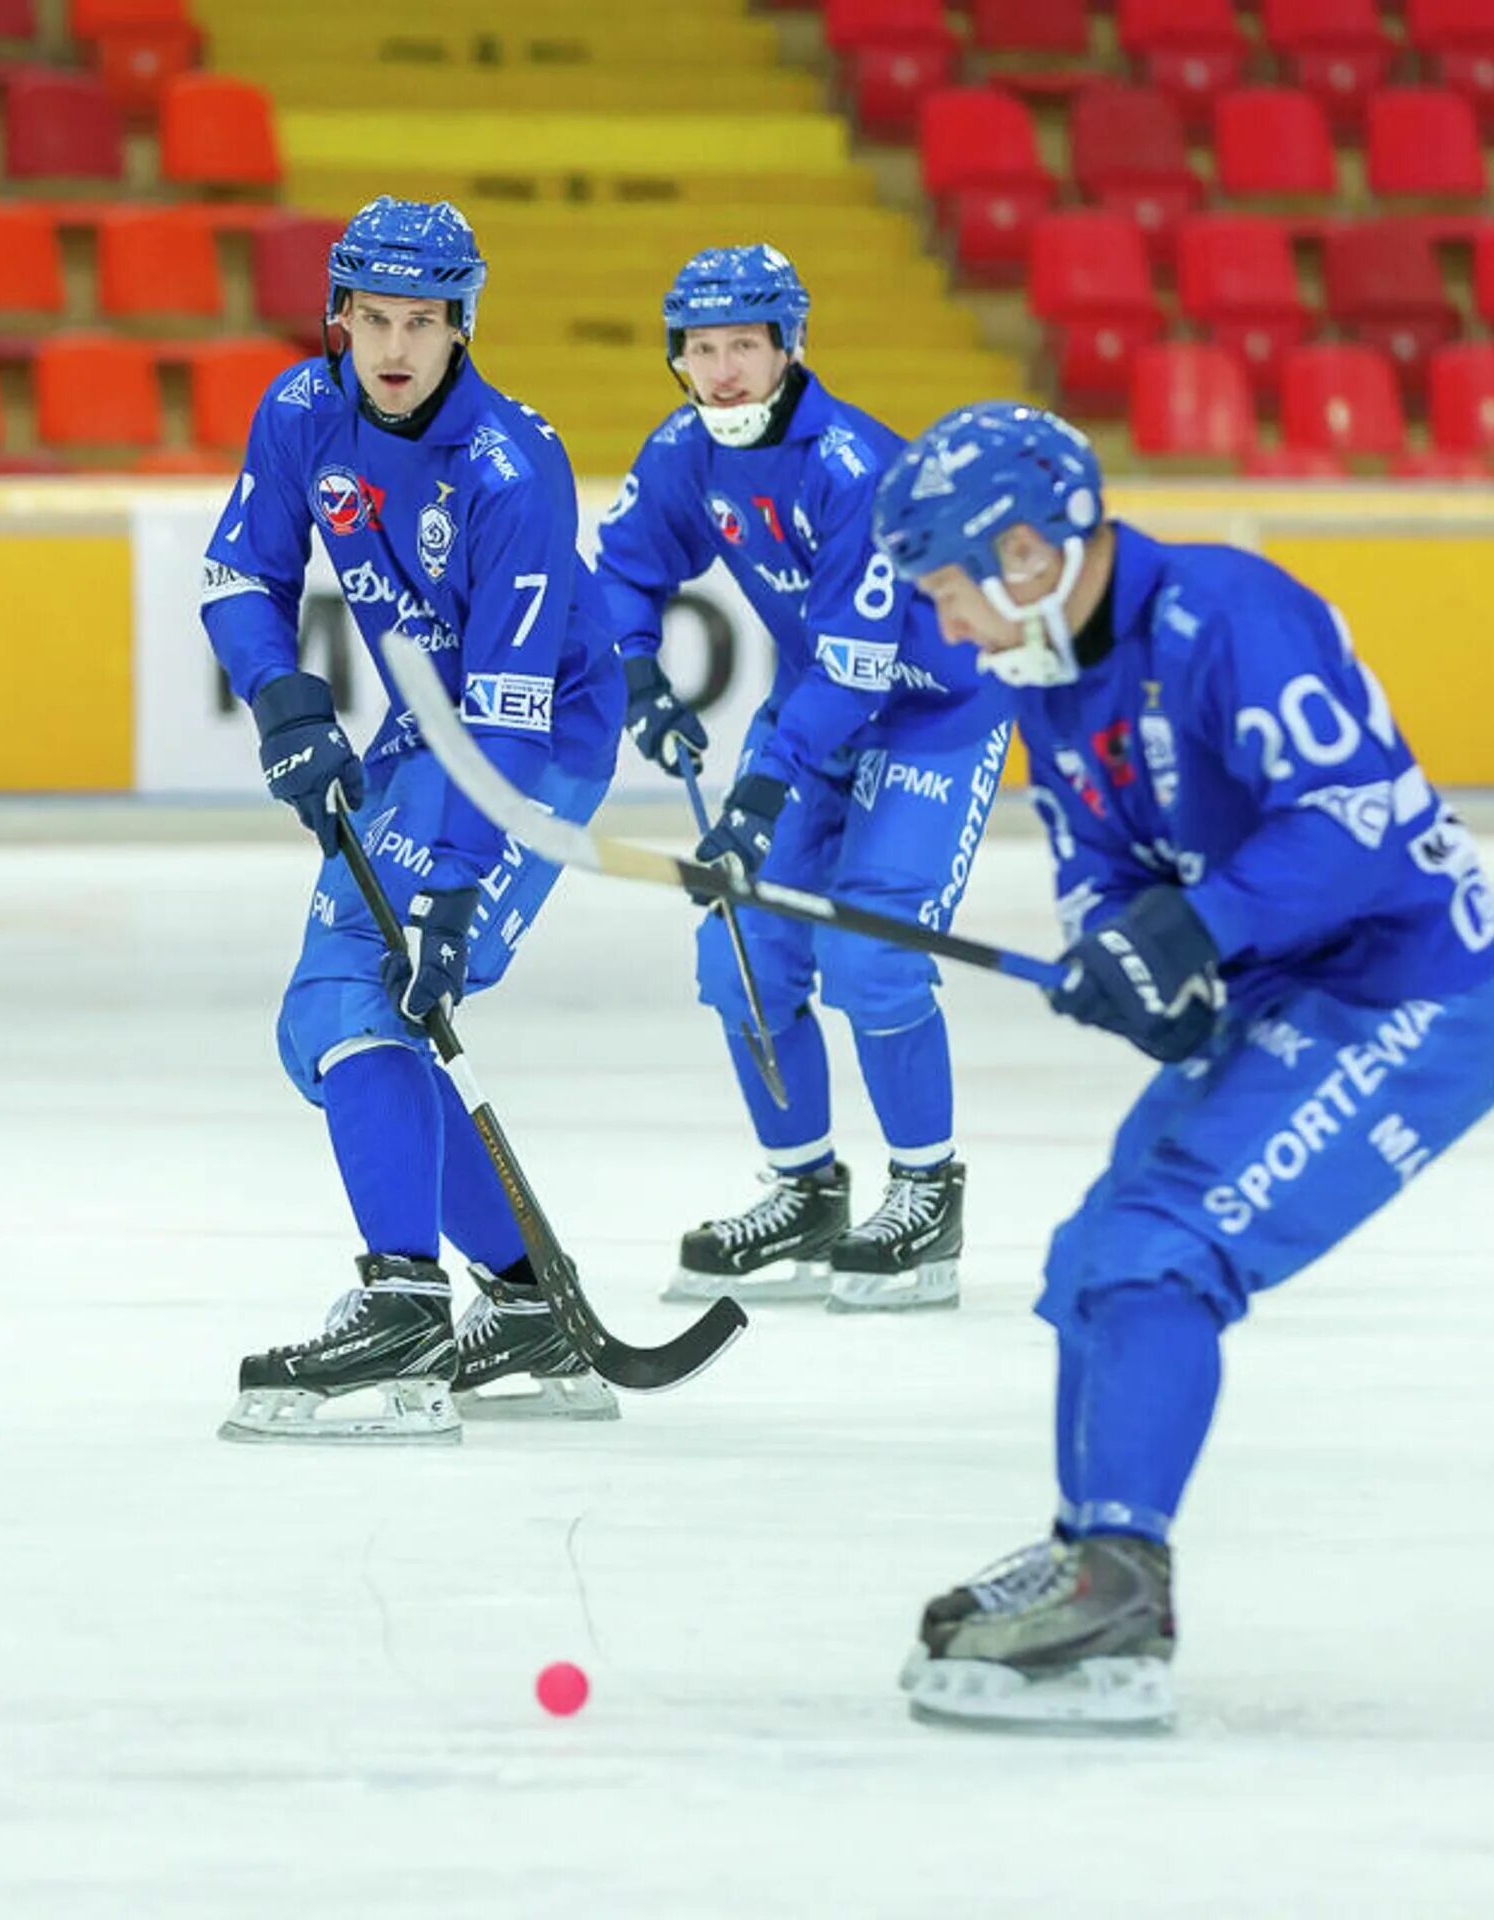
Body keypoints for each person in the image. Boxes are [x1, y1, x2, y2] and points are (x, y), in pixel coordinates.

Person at [869, 403, 1494, 1728]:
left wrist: (1197, 930)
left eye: (953, 593)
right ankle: (1088, 1549)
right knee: (1092, 1256)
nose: (950, 631)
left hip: (1410, 998)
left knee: (1159, 1251)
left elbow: (1354, 827)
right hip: (1289, 995)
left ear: (1023, 553)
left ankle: (1123, 1577)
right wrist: (1131, 967)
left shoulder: (1230, 613)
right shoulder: (1048, 681)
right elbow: (1097, 862)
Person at [200, 196, 625, 1443]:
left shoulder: (512, 467)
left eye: (423, 323)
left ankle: (403, 1312)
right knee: (328, 1031)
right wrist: (284, 698)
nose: (393, 346)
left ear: (461, 326)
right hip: (425, 724)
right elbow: (242, 574)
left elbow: (508, 710)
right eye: (373, 318)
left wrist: (452, 882)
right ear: (340, 315)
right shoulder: (299, 409)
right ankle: (528, 1304)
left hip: (532, 739)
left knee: (357, 998)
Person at [594, 245, 1014, 1314]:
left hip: (931, 715)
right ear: (678, 359)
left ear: (789, 348)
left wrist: (756, 798)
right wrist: (641, 675)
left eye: (744, 346)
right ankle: (806, 1189)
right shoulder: (687, 448)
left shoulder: (853, 466)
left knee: (872, 954)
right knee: (742, 958)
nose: (723, 371)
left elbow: (858, 666)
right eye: (701, 350)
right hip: (818, 707)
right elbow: (626, 571)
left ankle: (927, 1192)